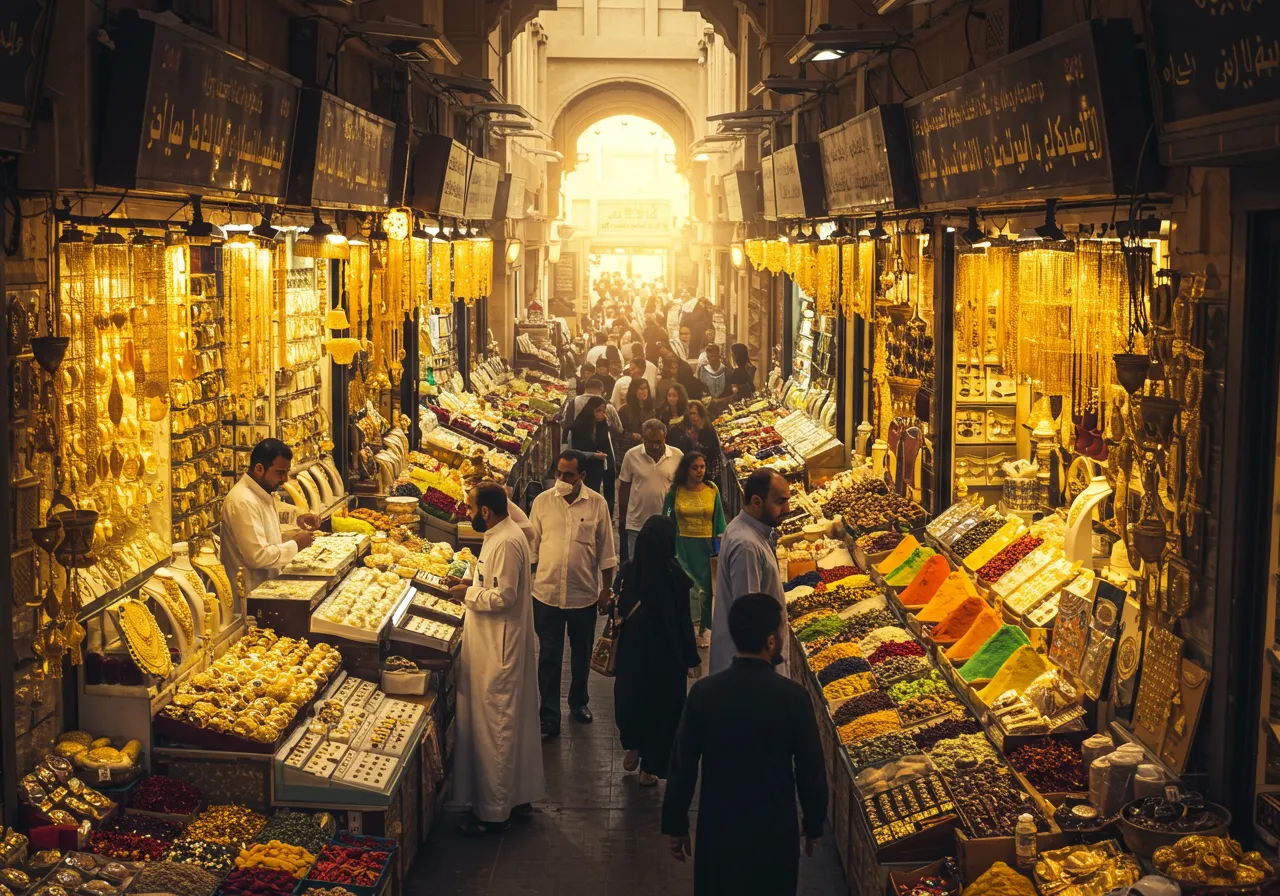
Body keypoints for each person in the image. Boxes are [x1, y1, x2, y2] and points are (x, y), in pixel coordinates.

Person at [662, 593, 826, 895]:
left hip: (719, 830)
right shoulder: (793, 698)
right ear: (771, 642)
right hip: (774, 831)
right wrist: (814, 824)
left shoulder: (704, 694)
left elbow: (682, 766)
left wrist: (676, 824)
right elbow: (810, 769)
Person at [449, 483, 545, 836]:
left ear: (485, 511)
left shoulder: (506, 541)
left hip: (498, 648)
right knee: (506, 723)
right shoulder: (500, 533)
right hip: (494, 644)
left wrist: (467, 593)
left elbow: (503, 596)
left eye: (470, 508)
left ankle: (492, 813)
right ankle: (515, 797)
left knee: (496, 728)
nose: (467, 514)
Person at [529, 451, 617, 739]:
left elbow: (606, 551)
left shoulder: (597, 504)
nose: (561, 480)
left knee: (581, 654)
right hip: (546, 594)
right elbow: (532, 548)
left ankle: (579, 703)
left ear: (582, 476)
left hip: (583, 595)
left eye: (568, 475)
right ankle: (549, 717)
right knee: (550, 657)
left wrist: (606, 589)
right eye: (558, 473)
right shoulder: (542, 502)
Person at [613, 515, 702, 786]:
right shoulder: (675, 577)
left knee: (632, 701)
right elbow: (684, 622)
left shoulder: (629, 572)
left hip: (632, 656)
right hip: (667, 658)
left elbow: (617, 605)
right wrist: (691, 659)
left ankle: (634, 746)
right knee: (664, 711)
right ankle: (649, 767)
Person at [709, 468, 790, 676]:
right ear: (756, 501)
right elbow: (750, 619)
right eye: (780, 502)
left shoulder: (747, 531)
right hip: (750, 672)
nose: (788, 509)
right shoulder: (746, 545)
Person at [221, 438, 320, 596]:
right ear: (259, 468)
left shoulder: (261, 492)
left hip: (266, 587)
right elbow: (258, 556)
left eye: (287, 472)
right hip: (251, 592)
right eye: (280, 472)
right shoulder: (243, 501)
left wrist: (297, 521)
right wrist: (296, 544)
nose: (285, 479)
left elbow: (266, 532)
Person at [662, 450, 725, 648]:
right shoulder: (675, 490)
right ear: (686, 469)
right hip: (682, 544)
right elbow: (667, 515)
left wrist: (719, 546)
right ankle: (685, 626)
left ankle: (703, 629)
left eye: (702, 467)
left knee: (705, 589)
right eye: (695, 467)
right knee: (687, 585)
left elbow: (719, 520)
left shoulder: (712, 489)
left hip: (705, 546)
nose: (699, 471)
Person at [617, 420, 683, 561]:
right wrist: (622, 518)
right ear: (642, 438)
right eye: (650, 441)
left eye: (659, 441)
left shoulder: (677, 456)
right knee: (637, 565)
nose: (655, 446)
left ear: (665, 437)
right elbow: (624, 487)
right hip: (637, 524)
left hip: (667, 525)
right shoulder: (631, 455)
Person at [565, 395, 614, 499]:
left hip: (597, 469)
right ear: (591, 410)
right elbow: (573, 451)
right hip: (583, 468)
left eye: (604, 410)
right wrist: (593, 455)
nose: (603, 413)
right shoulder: (578, 427)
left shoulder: (603, 425)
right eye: (599, 410)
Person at [666, 401, 722, 486]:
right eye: (690, 414)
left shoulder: (707, 430)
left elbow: (713, 452)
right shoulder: (693, 429)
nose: (692, 417)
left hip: (710, 473)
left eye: (695, 413)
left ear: (701, 414)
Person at [618, 376, 656, 457]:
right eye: (641, 389)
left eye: (646, 388)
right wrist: (632, 435)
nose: (644, 391)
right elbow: (619, 432)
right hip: (629, 449)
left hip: (647, 449)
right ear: (634, 391)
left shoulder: (651, 410)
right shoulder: (625, 410)